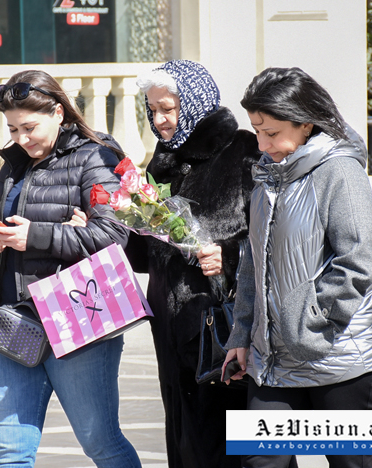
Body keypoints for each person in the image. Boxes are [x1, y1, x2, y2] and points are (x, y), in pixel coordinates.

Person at [222, 67, 372, 468]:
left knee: (348, 463)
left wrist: (310, 323)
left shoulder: (340, 171)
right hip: (275, 360)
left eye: (272, 132)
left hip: (342, 356)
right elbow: (254, 260)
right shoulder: (267, 177)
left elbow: (358, 261)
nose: (263, 144)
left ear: (305, 123)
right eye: (257, 132)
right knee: (259, 461)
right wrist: (243, 333)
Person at [0, 69, 141, 468]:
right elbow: (8, 237)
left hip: (77, 322)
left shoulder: (96, 157)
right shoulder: (14, 164)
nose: (21, 139)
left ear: (59, 113)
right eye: (13, 129)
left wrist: (37, 236)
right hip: (16, 322)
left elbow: (116, 236)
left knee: (101, 443)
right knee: (9, 454)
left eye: (29, 127)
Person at [124, 60, 261, 468]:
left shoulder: (243, 151)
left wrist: (230, 255)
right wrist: (124, 219)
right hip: (171, 329)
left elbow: (272, 233)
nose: (159, 119)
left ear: (196, 102)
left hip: (223, 326)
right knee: (185, 441)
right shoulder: (161, 162)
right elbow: (145, 256)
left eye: (167, 108)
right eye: (152, 109)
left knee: (232, 446)